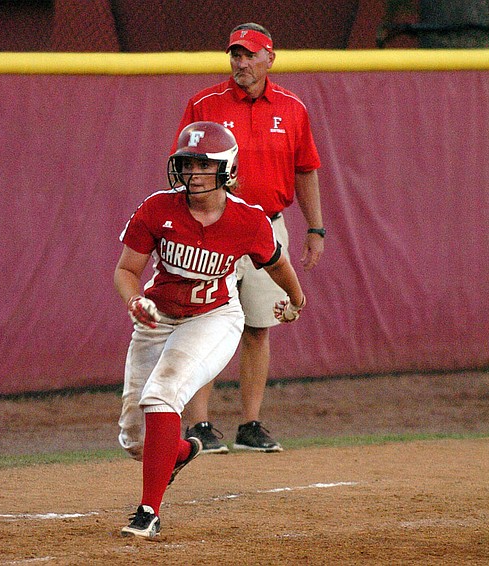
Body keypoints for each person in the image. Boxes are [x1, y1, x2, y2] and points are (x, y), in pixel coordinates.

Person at [115, 121, 306, 539]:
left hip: (213, 316)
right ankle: (181, 451)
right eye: (187, 163)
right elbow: (127, 270)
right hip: (158, 318)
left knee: (161, 396)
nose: (192, 172)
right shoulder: (158, 208)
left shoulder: (248, 219)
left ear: (226, 170)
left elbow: (276, 262)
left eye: (203, 164)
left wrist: (296, 299)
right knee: (134, 440)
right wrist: (135, 300)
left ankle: (148, 511)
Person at [172, 22, 324, 454]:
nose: (240, 62)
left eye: (249, 54)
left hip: (267, 224)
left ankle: (250, 423)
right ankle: (199, 424)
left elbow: (306, 169)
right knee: (203, 323)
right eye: (235, 54)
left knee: (258, 326)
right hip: (213, 227)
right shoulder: (205, 104)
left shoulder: (292, 108)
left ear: (269, 58)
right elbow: (183, 166)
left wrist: (315, 228)